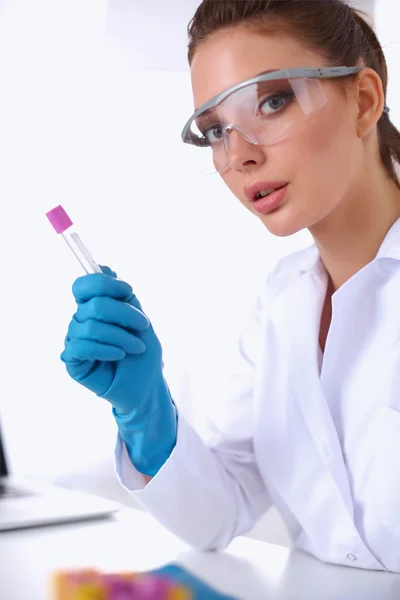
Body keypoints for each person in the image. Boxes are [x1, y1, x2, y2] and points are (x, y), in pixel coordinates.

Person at [61, 0, 400, 574]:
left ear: (363, 100)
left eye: (272, 100)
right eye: (215, 130)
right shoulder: (282, 302)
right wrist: (146, 415)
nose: (239, 154)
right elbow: (218, 515)